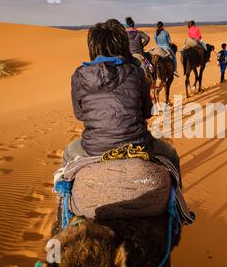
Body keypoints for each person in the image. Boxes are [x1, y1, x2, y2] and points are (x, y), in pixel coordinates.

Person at [63, 19, 181, 180]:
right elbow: (147, 112)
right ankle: (178, 202)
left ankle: (62, 200)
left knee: (69, 152)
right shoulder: (137, 73)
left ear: (92, 46)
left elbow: (80, 115)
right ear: (122, 45)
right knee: (172, 155)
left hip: (93, 147)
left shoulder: (79, 75)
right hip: (138, 145)